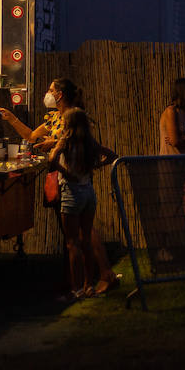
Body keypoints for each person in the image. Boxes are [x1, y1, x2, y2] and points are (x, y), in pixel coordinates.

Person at [0, 78, 121, 295]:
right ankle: (82, 281)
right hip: (63, 181)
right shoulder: (54, 118)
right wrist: (12, 119)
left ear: (60, 94)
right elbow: (32, 136)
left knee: (84, 234)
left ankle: (99, 276)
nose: (48, 93)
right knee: (76, 236)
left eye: (51, 90)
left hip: (75, 182)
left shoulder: (75, 116)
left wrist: (54, 146)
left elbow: (78, 141)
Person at [49, 107, 118, 300]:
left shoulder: (66, 141)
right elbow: (112, 155)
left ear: (68, 123)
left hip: (71, 193)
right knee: (86, 240)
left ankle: (76, 289)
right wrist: (97, 166)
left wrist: (65, 172)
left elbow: (51, 159)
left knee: (72, 244)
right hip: (88, 192)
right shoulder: (89, 142)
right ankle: (89, 286)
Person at [159, 78, 185, 154]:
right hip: (171, 161)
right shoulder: (171, 111)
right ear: (184, 91)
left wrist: (184, 139)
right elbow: (175, 141)